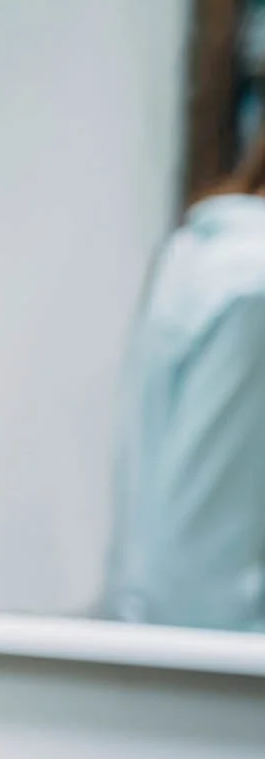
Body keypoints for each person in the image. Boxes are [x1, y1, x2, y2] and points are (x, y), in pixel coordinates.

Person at [104, 117, 265, 628]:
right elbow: (204, 561)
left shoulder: (203, 253)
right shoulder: (252, 290)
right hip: (215, 654)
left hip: (157, 637)